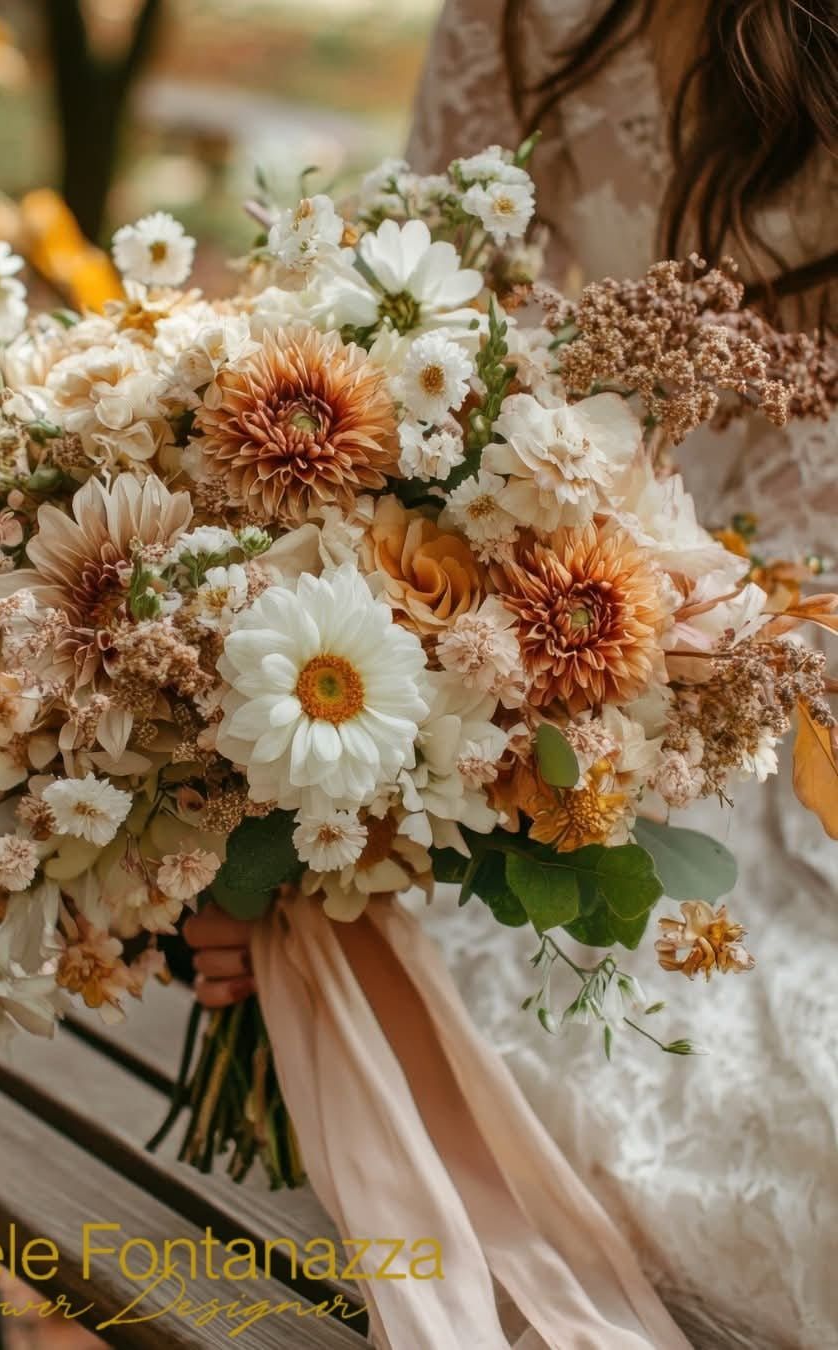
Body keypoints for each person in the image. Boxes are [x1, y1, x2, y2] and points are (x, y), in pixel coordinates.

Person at [188, 3, 837, 1344]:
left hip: (766, 691)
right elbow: (416, 328)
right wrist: (239, 823)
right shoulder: (517, 16)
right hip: (539, 652)